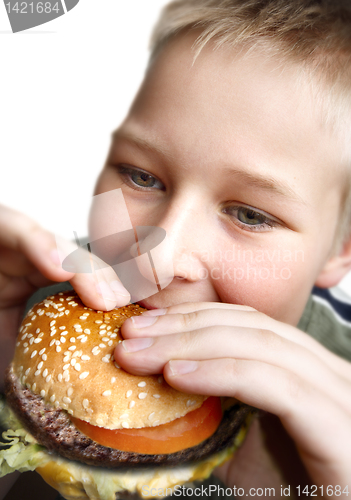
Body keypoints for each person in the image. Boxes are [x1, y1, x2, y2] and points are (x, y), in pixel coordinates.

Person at [1, 0, 351, 494]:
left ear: (339, 251)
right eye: (141, 176)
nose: (156, 260)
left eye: (250, 215)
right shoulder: (33, 296)